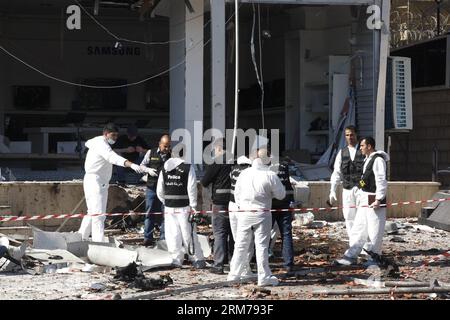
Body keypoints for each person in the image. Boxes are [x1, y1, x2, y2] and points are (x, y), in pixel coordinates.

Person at [228, 148, 286, 287]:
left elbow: (237, 194)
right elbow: (281, 195)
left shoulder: (244, 174)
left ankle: (234, 274)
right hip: (262, 213)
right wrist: (269, 194)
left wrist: (243, 206)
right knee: (262, 246)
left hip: (245, 213)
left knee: (240, 245)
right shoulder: (270, 175)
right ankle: (263, 276)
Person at [78, 123, 145, 242]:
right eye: (113, 135)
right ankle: (98, 241)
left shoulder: (98, 143)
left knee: (92, 212)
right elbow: (113, 157)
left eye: (116, 136)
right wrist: (131, 164)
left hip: (95, 180)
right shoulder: (102, 145)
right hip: (96, 181)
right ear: (105, 134)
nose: (115, 138)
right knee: (99, 214)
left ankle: (80, 237)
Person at [335, 137, 389, 266]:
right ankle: (351, 255)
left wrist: (379, 199)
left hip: (373, 197)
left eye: (362, 146)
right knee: (358, 228)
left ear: (369, 146)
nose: (360, 148)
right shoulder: (368, 160)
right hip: (364, 197)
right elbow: (365, 179)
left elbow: (381, 180)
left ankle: (374, 258)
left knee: (374, 230)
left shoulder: (378, 160)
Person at [156, 149, 206, 269]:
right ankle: (196, 258)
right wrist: (194, 206)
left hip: (169, 207)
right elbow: (192, 187)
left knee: (172, 234)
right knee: (188, 233)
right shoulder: (188, 168)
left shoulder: (164, 168)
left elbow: (159, 189)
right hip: (184, 206)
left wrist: (165, 201)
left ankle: (176, 259)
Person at [200, 138, 233, 274]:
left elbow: (204, 181)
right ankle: (234, 263)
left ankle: (218, 265)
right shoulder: (235, 161)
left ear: (218, 149)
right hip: (235, 202)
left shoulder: (217, 161)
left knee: (219, 233)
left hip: (219, 202)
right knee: (233, 233)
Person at [329, 125, 365, 245]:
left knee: (362, 217)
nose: (349, 137)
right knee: (349, 217)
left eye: (352, 134)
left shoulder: (363, 150)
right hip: (347, 189)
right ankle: (353, 243)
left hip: (361, 189)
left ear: (356, 135)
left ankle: (363, 244)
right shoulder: (342, 153)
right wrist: (332, 190)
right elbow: (336, 172)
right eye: (347, 135)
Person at [140, 135, 171, 246]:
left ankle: (163, 239)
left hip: (165, 189)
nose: (167, 149)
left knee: (165, 214)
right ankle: (147, 237)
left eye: (168, 147)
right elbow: (142, 165)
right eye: (165, 146)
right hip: (152, 187)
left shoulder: (172, 156)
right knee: (149, 212)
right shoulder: (151, 152)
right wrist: (148, 170)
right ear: (160, 144)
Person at [268, 153, 295, 273]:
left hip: (270, 205)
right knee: (286, 234)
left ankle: (262, 263)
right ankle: (288, 264)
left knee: (263, 234)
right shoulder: (283, 165)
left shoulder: (264, 166)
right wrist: (291, 201)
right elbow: (288, 184)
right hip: (285, 203)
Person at [228, 155, 253, 275]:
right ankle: (244, 269)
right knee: (247, 240)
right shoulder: (250, 170)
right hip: (243, 207)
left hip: (232, 205)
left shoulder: (234, 168)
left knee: (237, 239)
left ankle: (236, 266)